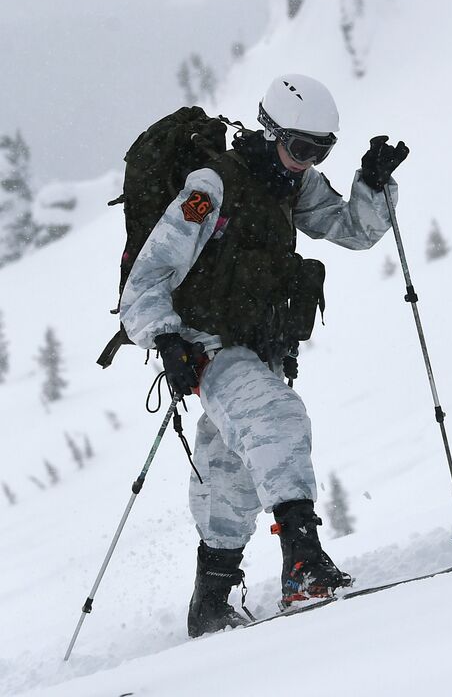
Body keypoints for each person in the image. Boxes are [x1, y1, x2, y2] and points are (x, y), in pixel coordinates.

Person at [118, 74, 409, 636]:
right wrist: (166, 340)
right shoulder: (211, 188)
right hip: (206, 343)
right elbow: (146, 278)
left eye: (321, 150)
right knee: (277, 419)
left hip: (257, 345)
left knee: (232, 469)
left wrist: (373, 185)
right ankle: (303, 563)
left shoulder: (292, 186)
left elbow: (353, 230)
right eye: (302, 148)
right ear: (271, 130)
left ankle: (211, 599)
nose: (308, 161)